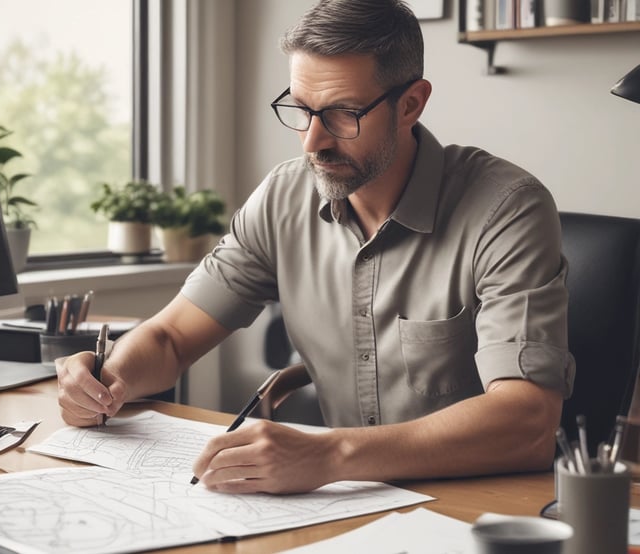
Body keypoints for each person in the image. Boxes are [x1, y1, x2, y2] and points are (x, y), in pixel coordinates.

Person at [57, 0, 575, 494]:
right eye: (300, 109)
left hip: (480, 507)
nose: (312, 142)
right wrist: (110, 380)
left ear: (410, 104)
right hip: (340, 502)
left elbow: (527, 420)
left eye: (343, 114)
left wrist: (329, 455)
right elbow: (170, 337)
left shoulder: (507, 209)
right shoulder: (284, 196)